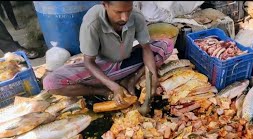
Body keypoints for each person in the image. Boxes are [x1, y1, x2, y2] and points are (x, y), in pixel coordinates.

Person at [43, 1, 173, 105]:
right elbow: (89, 62)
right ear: (104, 5)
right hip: (102, 68)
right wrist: (113, 87)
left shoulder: (136, 16)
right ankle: (101, 91)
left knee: (166, 44)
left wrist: (153, 77)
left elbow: (146, 49)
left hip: (127, 62)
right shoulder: (92, 22)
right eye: (118, 12)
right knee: (50, 83)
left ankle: (131, 80)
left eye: (128, 10)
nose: (125, 17)